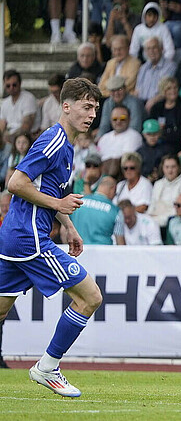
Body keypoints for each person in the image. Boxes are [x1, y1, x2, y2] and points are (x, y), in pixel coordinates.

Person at [0, 78, 104, 397]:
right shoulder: (54, 141)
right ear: (66, 106)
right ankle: (47, 367)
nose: (92, 115)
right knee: (90, 297)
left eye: (95, 109)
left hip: (17, 236)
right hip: (30, 239)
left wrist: (68, 225)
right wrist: (59, 205)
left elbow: (48, 189)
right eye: (86, 107)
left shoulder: (66, 145)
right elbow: (16, 183)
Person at [70, 175, 119, 245]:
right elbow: (120, 242)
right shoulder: (115, 211)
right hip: (103, 253)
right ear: (112, 189)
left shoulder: (79, 203)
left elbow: (64, 231)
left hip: (78, 251)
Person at [97, 106, 143, 177]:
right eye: (115, 119)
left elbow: (123, 161)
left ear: (129, 119)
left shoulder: (134, 136)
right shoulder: (104, 138)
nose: (118, 122)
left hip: (119, 176)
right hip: (100, 174)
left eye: (122, 119)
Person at [149, 154, 181, 227]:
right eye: (167, 167)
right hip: (155, 220)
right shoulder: (158, 184)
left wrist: (159, 218)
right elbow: (152, 205)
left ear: (178, 167)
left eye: (173, 167)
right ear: (162, 168)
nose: (170, 170)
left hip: (175, 221)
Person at [0, 70, 38, 145]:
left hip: (25, 138)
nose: (11, 88)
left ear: (20, 84)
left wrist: (9, 137)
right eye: (8, 85)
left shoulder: (28, 99)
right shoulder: (5, 103)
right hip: (8, 138)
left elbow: (26, 127)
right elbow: (1, 125)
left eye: (14, 85)